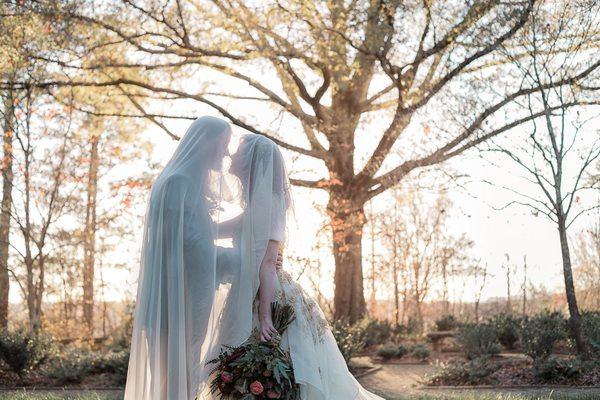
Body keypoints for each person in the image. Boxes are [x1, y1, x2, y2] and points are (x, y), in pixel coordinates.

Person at [197, 134, 384, 400]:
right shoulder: (255, 205)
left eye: (238, 151)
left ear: (253, 161)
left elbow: (269, 263)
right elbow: (215, 231)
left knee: (277, 370)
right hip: (249, 291)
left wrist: (265, 316)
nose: (232, 155)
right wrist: (193, 215)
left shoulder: (270, 204)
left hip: (267, 295)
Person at [124, 116, 232, 400]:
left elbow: (200, 236)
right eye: (224, 144)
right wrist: (239, 260)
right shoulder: (177, 183)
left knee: (182, 376)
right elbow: (191, 245)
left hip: (185, 297)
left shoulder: (183, 183)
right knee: (175, 378)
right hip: (173, 301)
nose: (227, 152)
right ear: (204, 141)